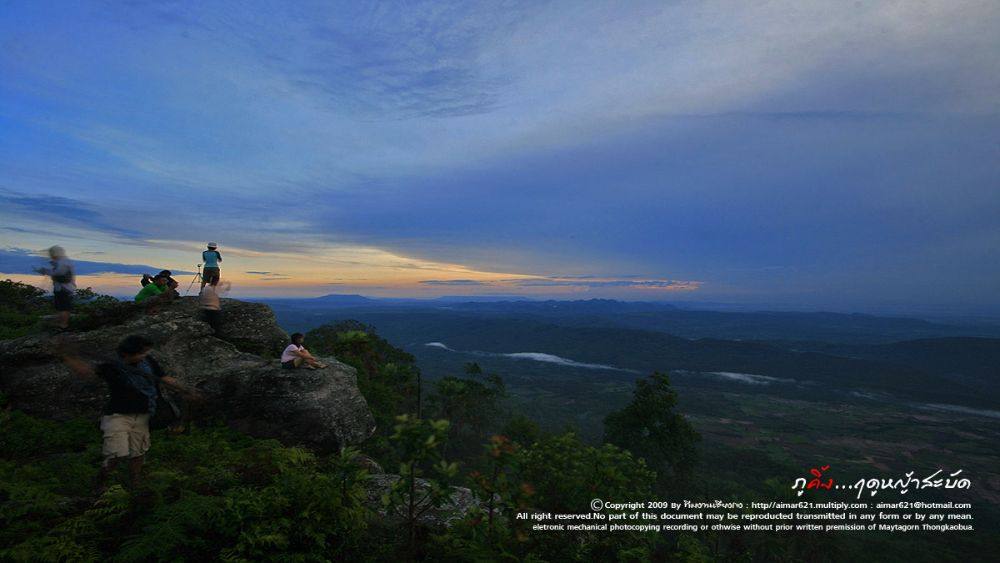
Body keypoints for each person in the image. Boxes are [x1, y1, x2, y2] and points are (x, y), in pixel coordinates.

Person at [60, 335, 200, 489]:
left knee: (138, 451)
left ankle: (135, 482)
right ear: (127, 354)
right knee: (117, 452)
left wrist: (187, 390)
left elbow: (164, 378)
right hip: (118, 415)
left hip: (143, 414)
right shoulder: (112, 367)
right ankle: (102, 479)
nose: (144, 355)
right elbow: (86, 372)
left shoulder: (148, 362)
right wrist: (67, 356)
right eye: (141, 353)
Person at [34, 245, 75, 330]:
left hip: (63, 288)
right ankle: (63, 324)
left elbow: (57, 272)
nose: (50, 255)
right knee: (63, 307)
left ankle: (63, 326)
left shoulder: (62, 262)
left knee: (63, 307)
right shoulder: (65, 261)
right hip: (65, 288)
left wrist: (44, 270)